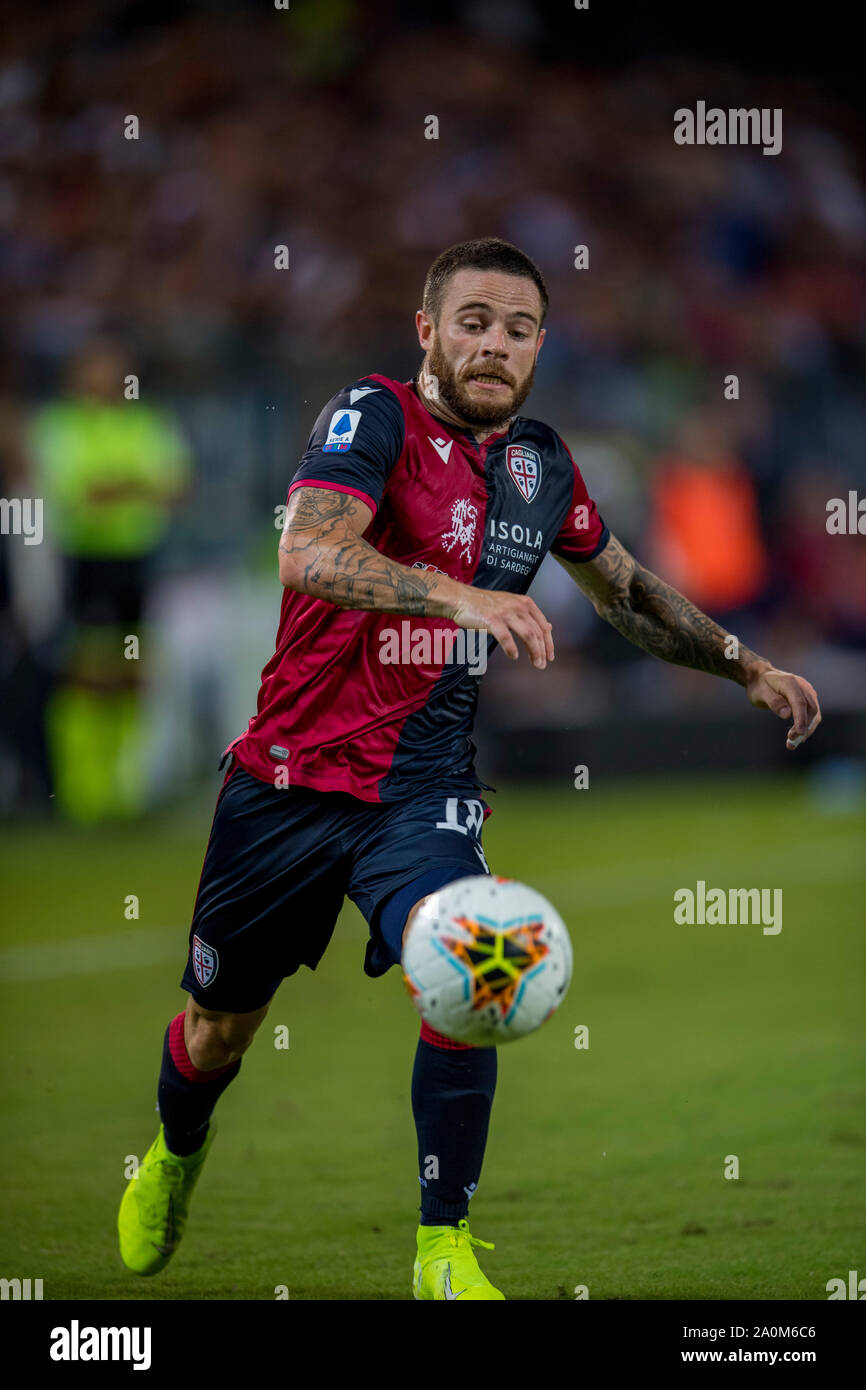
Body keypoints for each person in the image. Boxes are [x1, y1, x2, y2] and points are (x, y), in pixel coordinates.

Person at [118, 238, 821, 1300]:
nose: (494, 344)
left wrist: (744, 664)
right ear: (427, 333)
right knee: (218, 1032)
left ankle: (440, 1247)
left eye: (518, 327)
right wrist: (457, 595)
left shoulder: (541, 466)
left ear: (540, 346)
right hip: (284, 779)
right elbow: (308, 551)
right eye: (473, 322)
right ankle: (174, 1152)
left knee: (474, 968)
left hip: (421, 786)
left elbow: (623, 591)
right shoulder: (373, 417)